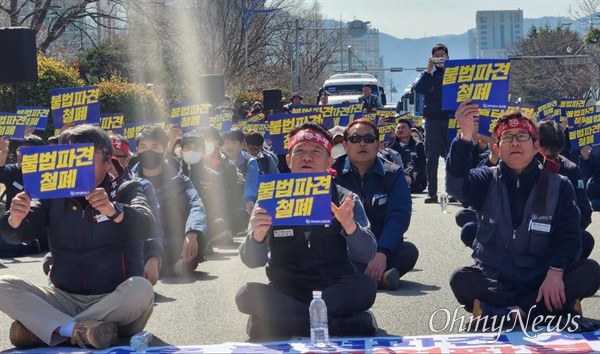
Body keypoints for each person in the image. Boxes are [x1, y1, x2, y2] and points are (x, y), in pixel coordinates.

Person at [446, 101, 600, 328]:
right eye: (507, 137)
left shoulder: (560, 184)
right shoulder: (485, 178)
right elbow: (456, 187)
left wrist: (556, 272)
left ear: (536, 146)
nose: (515, 142)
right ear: (497, 149)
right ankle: (547, 310)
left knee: (590, 271)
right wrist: (465, 136)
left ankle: (508, 313)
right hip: (496, 279)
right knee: (460, 278)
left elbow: (569, 238)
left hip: (542, 278)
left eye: (522, 136)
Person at [0, 125, 156, 349]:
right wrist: (14, 219)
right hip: (64, 298)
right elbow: (17, 234)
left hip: (115, 299)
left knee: (141, 289)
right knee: (3, 285)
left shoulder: (126, 188)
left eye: (84, 157)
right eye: (69, 157)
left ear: (107, 160)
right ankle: (77, 331)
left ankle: (51, 329)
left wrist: (115, 211)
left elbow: (147, 224)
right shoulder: (51, 194)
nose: (76, 165)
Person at [236, 122, 379, 341]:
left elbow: (367, 254)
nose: (307, 157)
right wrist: (257, 235)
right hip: (286, 290)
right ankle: (339, 326)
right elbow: (251, 261)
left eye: (316, 152)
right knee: (246, 295)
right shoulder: (268, 200)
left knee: (366, 286)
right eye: (300, 151)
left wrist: (350, 227)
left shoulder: (345, 200)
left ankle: (279, 324)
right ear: (288, 160)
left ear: (329, 161)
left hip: (334, 288)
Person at [332, 119, 418, 290]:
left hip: (379, 246)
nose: (362, 143)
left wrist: (382, 253)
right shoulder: (332, 172)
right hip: (345, 248)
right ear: (345, 145)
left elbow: (398, 217)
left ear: (378, 144)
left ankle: (361, 276)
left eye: (369, 139)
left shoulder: (393, 173)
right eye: (355, 139)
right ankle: (380, 277)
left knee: (408, 251)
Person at [131, 125, 208, 277]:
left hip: (171, 241)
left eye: (155, 146)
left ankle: (165, 267)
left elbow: (196, 205)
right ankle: (166, 268)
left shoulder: (180, 180)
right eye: (143, 146)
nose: (149, 151)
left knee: (192, 244)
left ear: (165, 148)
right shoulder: (128, 182)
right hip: (141, 243)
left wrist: (192, 233)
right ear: (137, 150)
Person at [536, 120, 594, 259]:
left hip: (559, 231)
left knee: (584, 239)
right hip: (525, 234)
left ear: (559, 151)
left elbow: (585, 212)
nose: (545, 162)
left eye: (551, 157)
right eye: (540, 157)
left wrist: (565, 231)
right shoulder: (520, 164)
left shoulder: (571, 170)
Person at [414, 43, 452, 203]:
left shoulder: (456, 73)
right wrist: (428, 70)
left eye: (442, 55)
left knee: (453, 156)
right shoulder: (428, 76)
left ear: (448, 57)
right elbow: (418, 89)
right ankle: (432, 192)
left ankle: (453, 191)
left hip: (451, 118)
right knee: (432, 157)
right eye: (436, 55)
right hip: (432, 120)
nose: (440, 57)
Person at [177, 131, 230, 244]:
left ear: (204, 152)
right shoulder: (172, 172)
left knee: (219, 223)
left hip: (203, 221)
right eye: (187, 148)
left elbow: (217, 206)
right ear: (181, 151)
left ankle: (204, 240)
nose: (192, 151)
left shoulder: (213, 176)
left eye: (196, 148)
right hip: (176, 221)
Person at [0, 135, 46, 258]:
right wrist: (3, 152)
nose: (22, 155)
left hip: (37, 227)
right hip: (12, 224)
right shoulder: (12, 170)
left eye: (28, 151)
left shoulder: (48, 173)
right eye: (20, 150)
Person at [198, 127, 247, 235]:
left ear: (216, 142)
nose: (205, 142)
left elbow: (232, 196)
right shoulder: (190, 162)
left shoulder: (228, 165)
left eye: (208, 139)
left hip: (219, 211)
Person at [388, 119, 427, 193]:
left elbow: (422, 163)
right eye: (398, 128)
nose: (400, 130)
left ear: (410, 130)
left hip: (416, 180)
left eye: (403, 128)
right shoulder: (392, 145)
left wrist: (414, 173)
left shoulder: (419, 145)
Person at [581, 145, 600, 211]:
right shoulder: (594, 146)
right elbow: (585, 175)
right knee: (596, 204)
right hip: (597, 189)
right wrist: (585, 158)